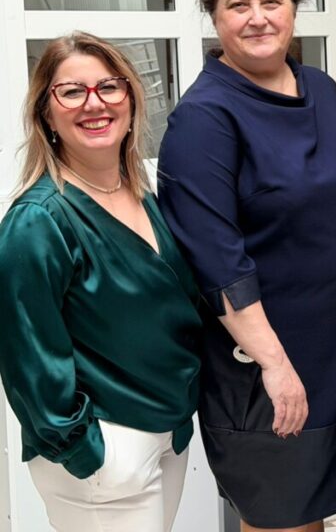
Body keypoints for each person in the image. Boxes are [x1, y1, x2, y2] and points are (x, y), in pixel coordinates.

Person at [157, 0, 336, 532]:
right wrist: (275, 365)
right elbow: (216, 261)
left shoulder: (320, 88)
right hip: (264, 359)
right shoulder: (203, 119)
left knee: (311, 511)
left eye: (271, 1)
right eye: (238, 4)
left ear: (293, 8)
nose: (257, 18)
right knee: (277, 513)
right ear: (214, 15)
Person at [0, 32, 202, 532]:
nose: (94, 103)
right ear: (47, 114)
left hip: (167, 434)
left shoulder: (144, 195)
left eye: (109, 87)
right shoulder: (38, 220)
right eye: (71, 92)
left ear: (131, 100)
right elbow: (28, 358)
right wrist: (84, 449)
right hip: (104, 451)